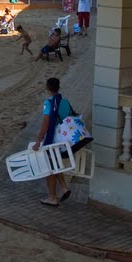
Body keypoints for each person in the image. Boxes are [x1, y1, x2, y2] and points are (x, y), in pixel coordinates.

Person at [32, 77, 74, 206]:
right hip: (64, 140)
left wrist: (38, 140)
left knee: (49, 169)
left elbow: (46, 123)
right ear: (58, 87)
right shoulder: (65, 102)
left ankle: (52, 198)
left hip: (53, 141)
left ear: (48, 88)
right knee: (55, 165)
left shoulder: (49, 103)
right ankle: (64, 188)